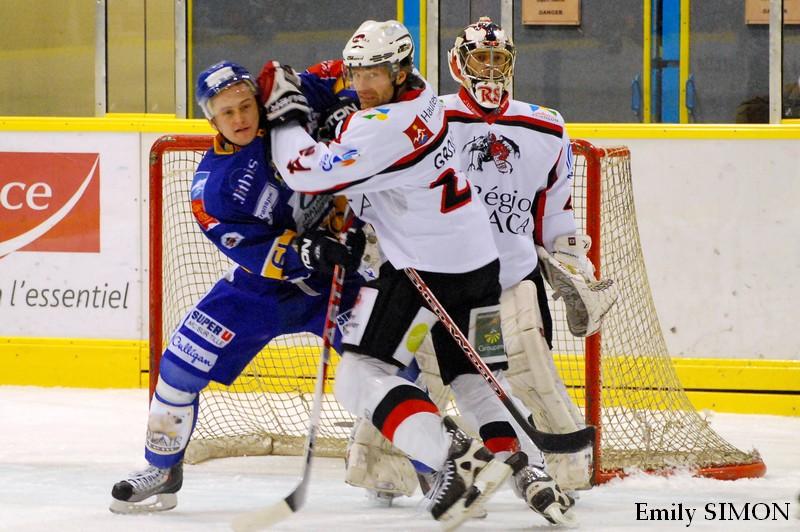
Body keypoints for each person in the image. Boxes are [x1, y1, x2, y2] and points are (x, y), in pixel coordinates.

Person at [339, 17, 619, 526]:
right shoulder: (432, 114)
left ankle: (536, 470)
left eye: (498, 58)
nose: (489, 68)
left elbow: (555, 213)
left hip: (492, 281)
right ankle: (392, 471)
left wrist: (570, 262)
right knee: (440, 375)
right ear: (456, 64)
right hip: (461, 278)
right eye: (479, 58)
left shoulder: (542, 126)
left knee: (497, 376)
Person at [263, 19, 533, 528]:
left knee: (359, 376)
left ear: (400, 71)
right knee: (477, 379)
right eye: (356, 73)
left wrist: (285, 119)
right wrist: (322, 86)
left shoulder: (385, 127)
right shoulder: (423, 96)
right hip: (478, 264)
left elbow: (304, 171)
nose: (361, 85)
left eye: (374, 74)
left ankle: (450, 456)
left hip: (425, 273)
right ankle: (532, 471)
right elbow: (357, 120)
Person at [109, 60, 367, 514]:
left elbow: (352, 72)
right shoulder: (213, 189)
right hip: (261, 291)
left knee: (387, 367)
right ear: (212, 120)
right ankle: (162, 467)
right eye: (227, 112)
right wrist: (310, 250)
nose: (241, 118)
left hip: (336, 280)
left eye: (246, 106)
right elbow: (261, 255)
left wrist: (346, 106)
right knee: (178, 368)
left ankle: (418, 463)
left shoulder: (287, 100)